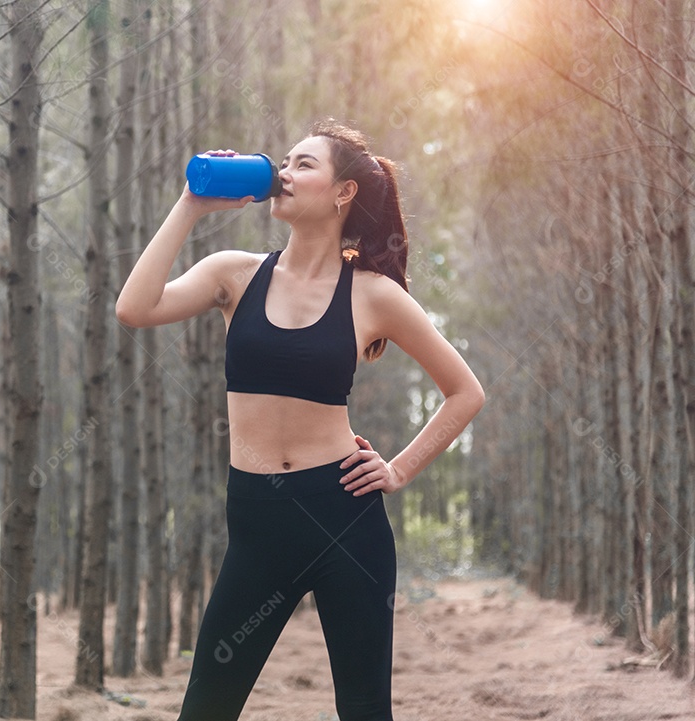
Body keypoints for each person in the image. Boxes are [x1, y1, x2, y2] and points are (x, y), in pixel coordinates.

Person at [115, 118, 485, 721]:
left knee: (365, 712)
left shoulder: (373, 295)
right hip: (258, 523)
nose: (283, 174)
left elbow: (464, 392)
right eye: (283, 162)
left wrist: (396, 470)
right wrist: (189, 205)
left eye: (303, 164)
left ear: (343, 193)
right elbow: (134, 309)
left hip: (345, 515)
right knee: (206, 709)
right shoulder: (234, 274)